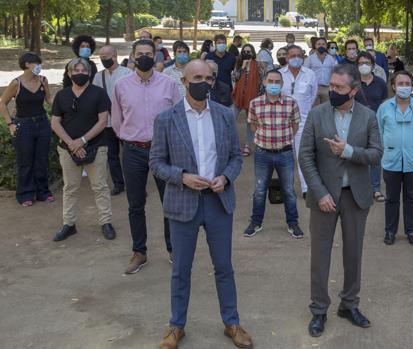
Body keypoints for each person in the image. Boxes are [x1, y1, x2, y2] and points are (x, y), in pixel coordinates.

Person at [150, 59, 252, 349]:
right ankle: (176, 326)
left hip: (218, 203)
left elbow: (235, 156)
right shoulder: (166, 119)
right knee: (181, 268)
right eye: (197, 77)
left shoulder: (223, 115)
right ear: (183, 81)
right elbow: (156, 162)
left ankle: (231, 323)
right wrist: (181, 177)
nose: (203, 82)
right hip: (183, 203)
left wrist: (226, 177)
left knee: (224, 266)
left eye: (208, 78)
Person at [299, 64, 383, 338]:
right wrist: (319, 191)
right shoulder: (317, 114)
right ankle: (319, 309)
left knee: (353, 254)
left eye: (339, 88)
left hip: (355, 196)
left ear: (354, 91)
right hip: (324, 196)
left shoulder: (368, 117)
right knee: (320, 256)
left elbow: (375, 154)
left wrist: (349, 151)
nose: (332, 91)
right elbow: (305, 157)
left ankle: (349, 305)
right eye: (331, 86)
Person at [111, 39, 182, 274]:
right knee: (135, 204)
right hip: (133, 151)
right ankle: (139, 252)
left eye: (149, 53)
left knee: (169, 202)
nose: (144, 57)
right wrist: (127, 138)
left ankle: (174, 250)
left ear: (156, 56)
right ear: (132, 56)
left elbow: (179, 116)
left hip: (163, 151)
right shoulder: (121, 85)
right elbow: (117, 118)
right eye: (139, 53)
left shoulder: (169, 84)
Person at [50, 57, 117, 242]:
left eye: (83, 70)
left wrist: (82, 140)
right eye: (75, 71)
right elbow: (55, 122)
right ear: (69, 73)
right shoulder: (62, 96)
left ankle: (106, 222)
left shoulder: (99, 94)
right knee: (70, 188)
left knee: (100, 186)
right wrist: (72, 143)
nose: (80, 74)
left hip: (96, 147)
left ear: (89, 72)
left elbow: (103, 121)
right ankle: (68, 224)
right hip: (67, 148)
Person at [244, 69, 303, 239]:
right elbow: (253, 124)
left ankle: (293, 223)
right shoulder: (255, 103)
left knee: (289, 190)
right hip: (263, 153)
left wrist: (284, 139)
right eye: (271, 81)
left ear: (282, 84)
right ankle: (256, 222)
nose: (274, 85)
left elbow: (295, 125)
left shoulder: (291, 103)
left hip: (284, 154)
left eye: (277, 82)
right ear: (264, 82)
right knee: (260, 190)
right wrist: (264, 139)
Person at [377, 71, 413, 246]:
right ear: (393, 86)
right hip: (391, 160)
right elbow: (380, 130)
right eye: (401, 83)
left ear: (412, 87)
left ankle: (411, 231)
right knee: (391, 198)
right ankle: (390, 231)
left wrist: (411, 146)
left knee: (412, 198)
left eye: (407, 83)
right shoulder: (384, 108)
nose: (404, 87)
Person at [0, 52, 54, 206]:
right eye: (36, 64)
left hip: (42, 123)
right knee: (25, 161)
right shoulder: (16, 83)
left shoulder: (43, 80)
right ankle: (25, 194)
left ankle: (43, 192)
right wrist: (10, 124)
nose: (39, 66)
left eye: (39, 63)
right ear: (26, 65)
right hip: (23, 125)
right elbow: (2, 103)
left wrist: (60, 110)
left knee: (41, 160)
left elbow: (49, 99)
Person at [92, 45, 133, 196]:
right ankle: (118, 183)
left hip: (125, 121)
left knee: (130, 154)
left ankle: (134, 183)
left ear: (114, 56)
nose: (103, 60)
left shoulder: (127, 73)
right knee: (112, 155)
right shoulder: (98, 76)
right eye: (101, 58)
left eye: (106, 57)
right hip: (107, 122)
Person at [279, 45, 318, 198]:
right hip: (281, 123)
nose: (296, 58)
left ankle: (305, 188)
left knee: (303, 156)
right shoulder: (280, 74)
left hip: (302, 122)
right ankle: (285, 189)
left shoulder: (310, 75)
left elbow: (313, 96)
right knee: (283, 158)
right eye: (292, 55)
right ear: (287, 57)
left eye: (299, 55)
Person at [355, 52, 388, 203]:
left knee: (375, 157)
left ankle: (375, 188)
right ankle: (361, 188)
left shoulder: (380, 83)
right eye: (361, 63)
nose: (364, 66)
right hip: (357, 125)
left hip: (376, 125)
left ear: (373, 65)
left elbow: (385, 102)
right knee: (359, 157)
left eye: (367, 63)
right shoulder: (353, 83)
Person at [232, 44, 267, 157]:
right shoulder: (238, 63)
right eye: (244, 51)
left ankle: (247, 145)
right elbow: (234, 78)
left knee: (250, 122)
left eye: (249, 51)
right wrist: (242, 68)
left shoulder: (258, 64)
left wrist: (260, 98)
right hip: (238, 96)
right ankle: (232, 145)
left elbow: (262, 81)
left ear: (253, 53)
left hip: (252, 97)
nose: (246, 53)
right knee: (231, 119)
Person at [304, 37, 336, 105]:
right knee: (314, 110)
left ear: (326, 46)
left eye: (323, 44)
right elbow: (305, 73)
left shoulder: (330, 59)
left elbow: (334, 72)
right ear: (315, 46)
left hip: (327, 88)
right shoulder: (309, 59)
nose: (321, 46)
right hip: (314, 88)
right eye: (319, 44)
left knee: (326, 109)